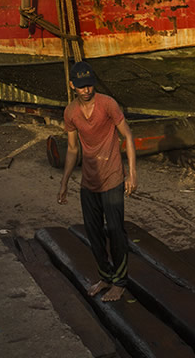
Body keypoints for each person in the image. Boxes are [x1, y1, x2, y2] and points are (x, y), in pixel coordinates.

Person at [57, 61, 137, 302]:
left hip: (112, 177)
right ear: (73, 86)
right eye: (81, 86)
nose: (87, 90)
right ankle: (105, 276)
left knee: (115, 231)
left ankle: (120, 283)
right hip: (88, 181)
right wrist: (64, 182)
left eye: (90, 85)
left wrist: (132, 174)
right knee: (93, 233)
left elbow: (128, 136)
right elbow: (72, 150)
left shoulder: (108, 104)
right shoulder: (70, 112)